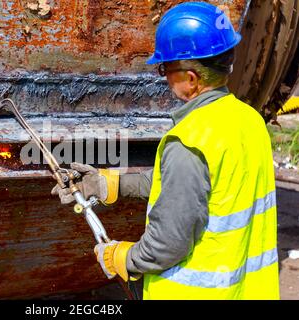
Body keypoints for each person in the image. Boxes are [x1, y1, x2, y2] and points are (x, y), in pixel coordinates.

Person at [51, 2, 279, 300]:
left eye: (165, 68)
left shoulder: (189, 141)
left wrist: (124, 258)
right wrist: (111, 184)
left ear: (191, 79)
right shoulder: (248, 120)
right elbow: (198, 189)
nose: (164, 77)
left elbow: (167, 245)